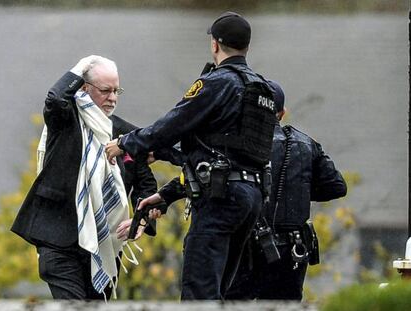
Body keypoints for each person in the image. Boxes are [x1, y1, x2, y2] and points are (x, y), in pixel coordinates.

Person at [106, 12, 284, 300]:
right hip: (251, 199)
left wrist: (126, 143)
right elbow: (223, 149)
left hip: (220, 199)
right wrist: (166, 190)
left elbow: (172, 124)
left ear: (215, 45)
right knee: (220, 293)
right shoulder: (262, 89)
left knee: (199, 295)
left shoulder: (218, 82)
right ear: (247, 47)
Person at [11, 55, 157, 300]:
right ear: (84, 89)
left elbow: (146, 183)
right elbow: (56, 98)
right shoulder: (65, 119)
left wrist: (141, 220)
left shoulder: (126, 134)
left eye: (116, 91)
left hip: (106, 245)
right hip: (59, 241)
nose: (112, 98)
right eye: (105, 90)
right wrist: (85, 64)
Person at [225, 103, 348, 301]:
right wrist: (300, 189)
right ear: (282, 113)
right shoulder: (306, 143)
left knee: (234, 303)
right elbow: (337, 186)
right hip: (293, 251)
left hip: (247, 249)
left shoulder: (237, 143)